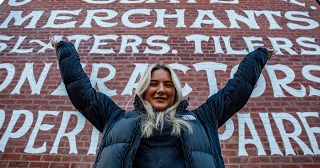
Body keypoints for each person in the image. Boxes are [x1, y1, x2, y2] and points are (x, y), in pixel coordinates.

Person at [50, 37, 275, 168]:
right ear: (143, 90)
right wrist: (64, 48)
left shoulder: (202, 119)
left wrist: (259, 56)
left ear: (175, 91)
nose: (160, 89)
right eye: (153, 84)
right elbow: (82, 92)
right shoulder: (116, 118)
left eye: (167, 84)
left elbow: (235, 91)